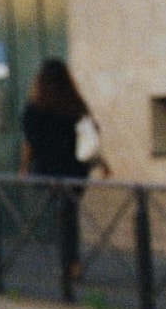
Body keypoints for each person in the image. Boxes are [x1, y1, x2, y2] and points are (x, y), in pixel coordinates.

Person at [20, 59, 108, 280]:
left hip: (49, 171)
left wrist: (24, 168)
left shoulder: (34, 108)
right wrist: (102, 163)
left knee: (62, 216)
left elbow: (29, 143)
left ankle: (68, 264)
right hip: (75, 170)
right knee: (70, 214)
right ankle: (73, 264)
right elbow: (89, 136)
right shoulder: (74, 105)